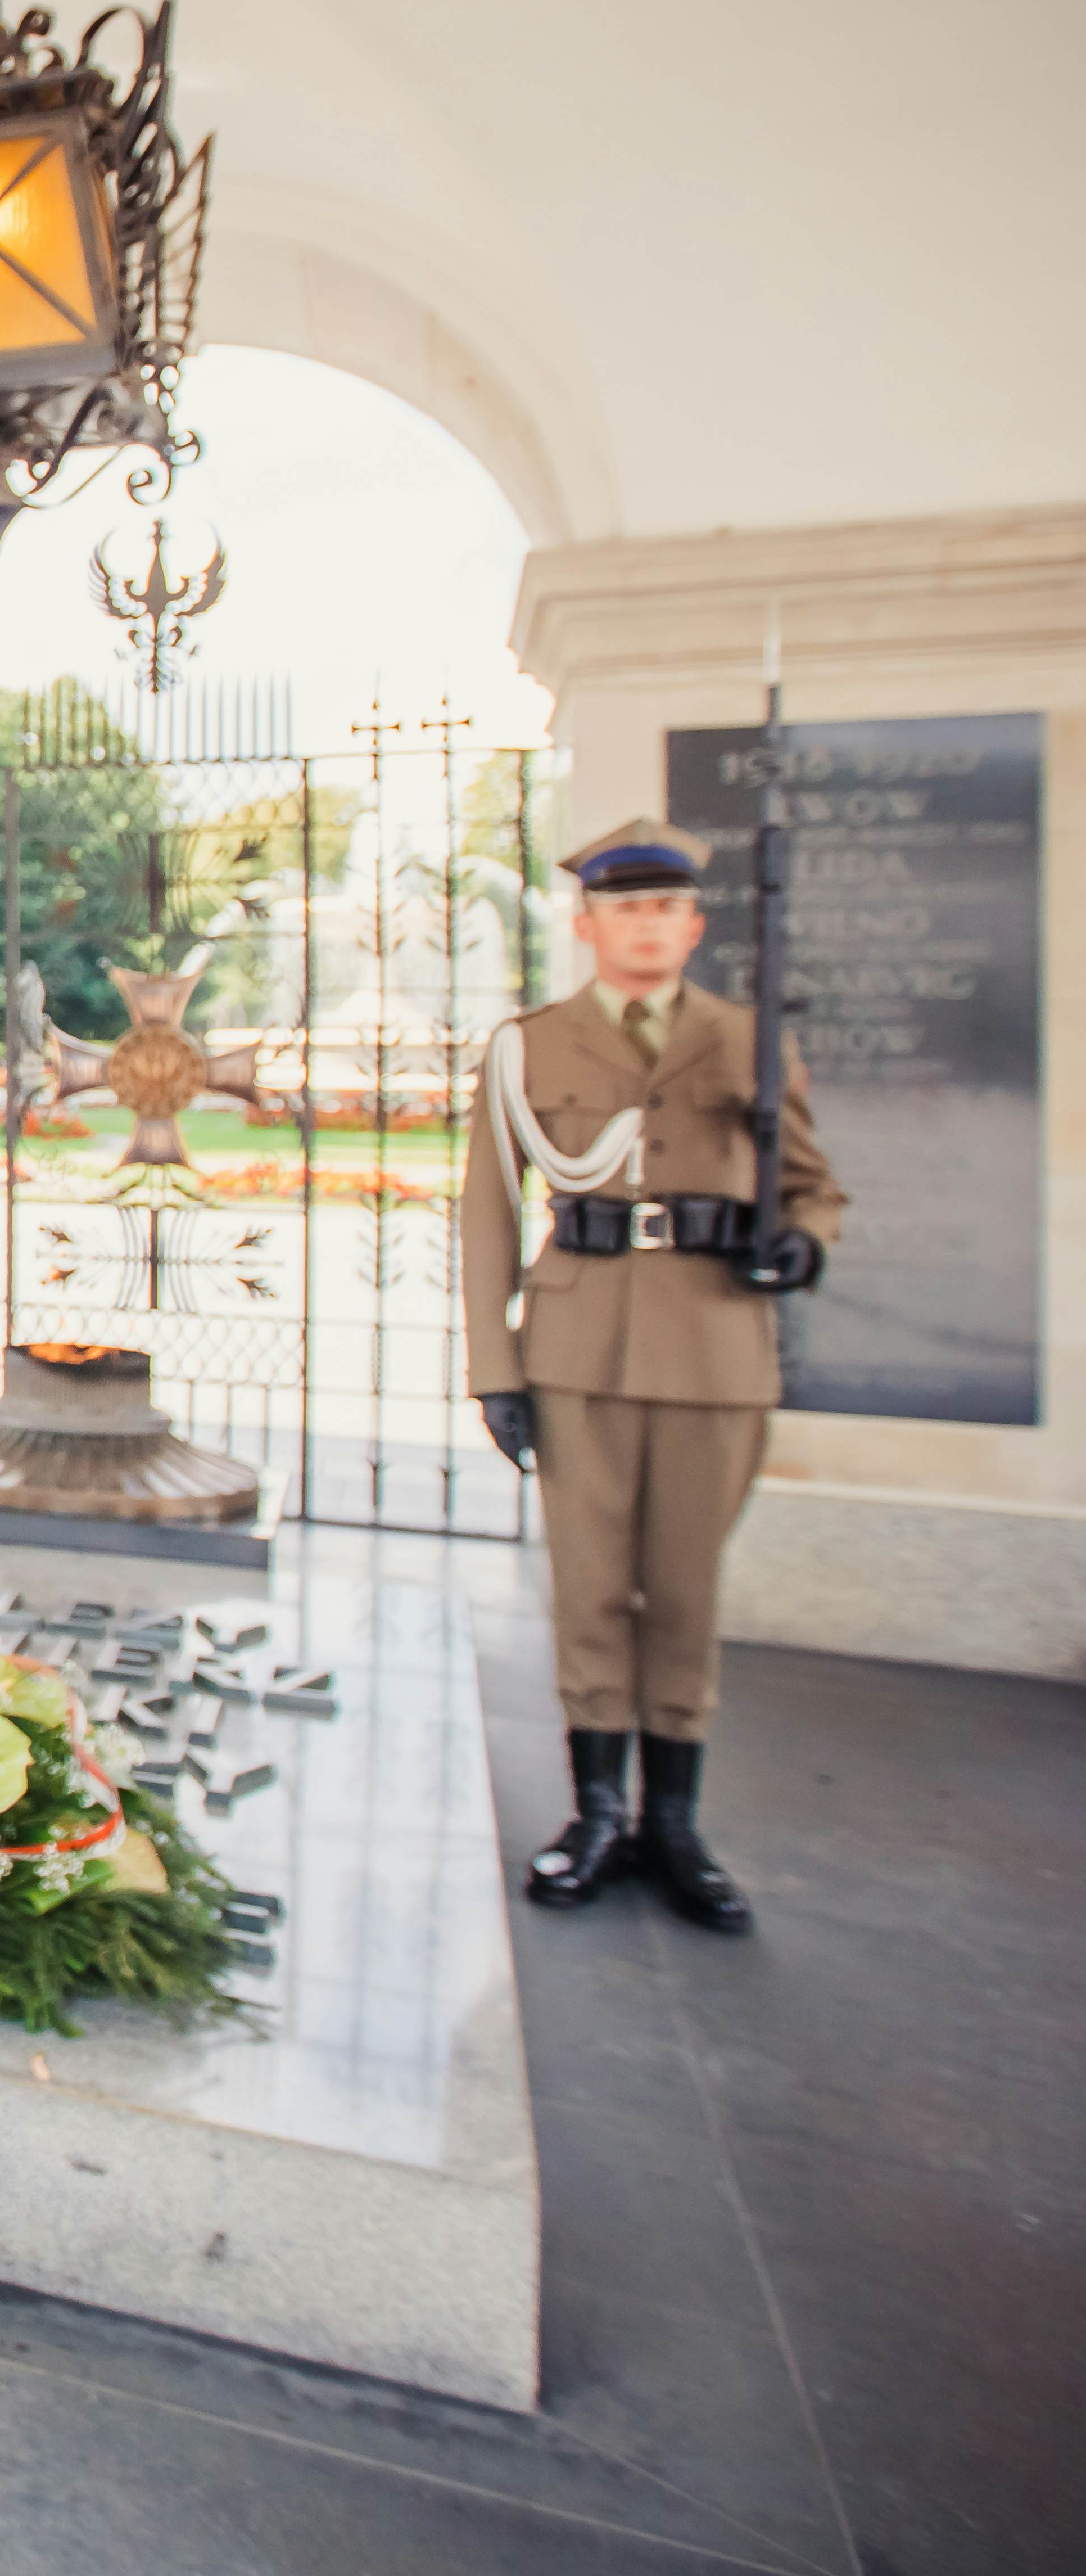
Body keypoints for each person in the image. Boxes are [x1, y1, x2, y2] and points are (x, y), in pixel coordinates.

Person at [462, 818, 841, 1934]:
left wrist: (805, 1242)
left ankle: (673, 1824)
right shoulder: (531, 1047)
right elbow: (491, 1215)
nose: (647, 926)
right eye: (626, 909)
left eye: (666, 909)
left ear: (695, 924)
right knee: (588, 1589)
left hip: (716, 1345)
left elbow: (814, 1184)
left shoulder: (747, 1040)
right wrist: (498, 1366)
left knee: (685, 1593)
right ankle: (593, 1813)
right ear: (588, 927)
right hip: (579, 1350)